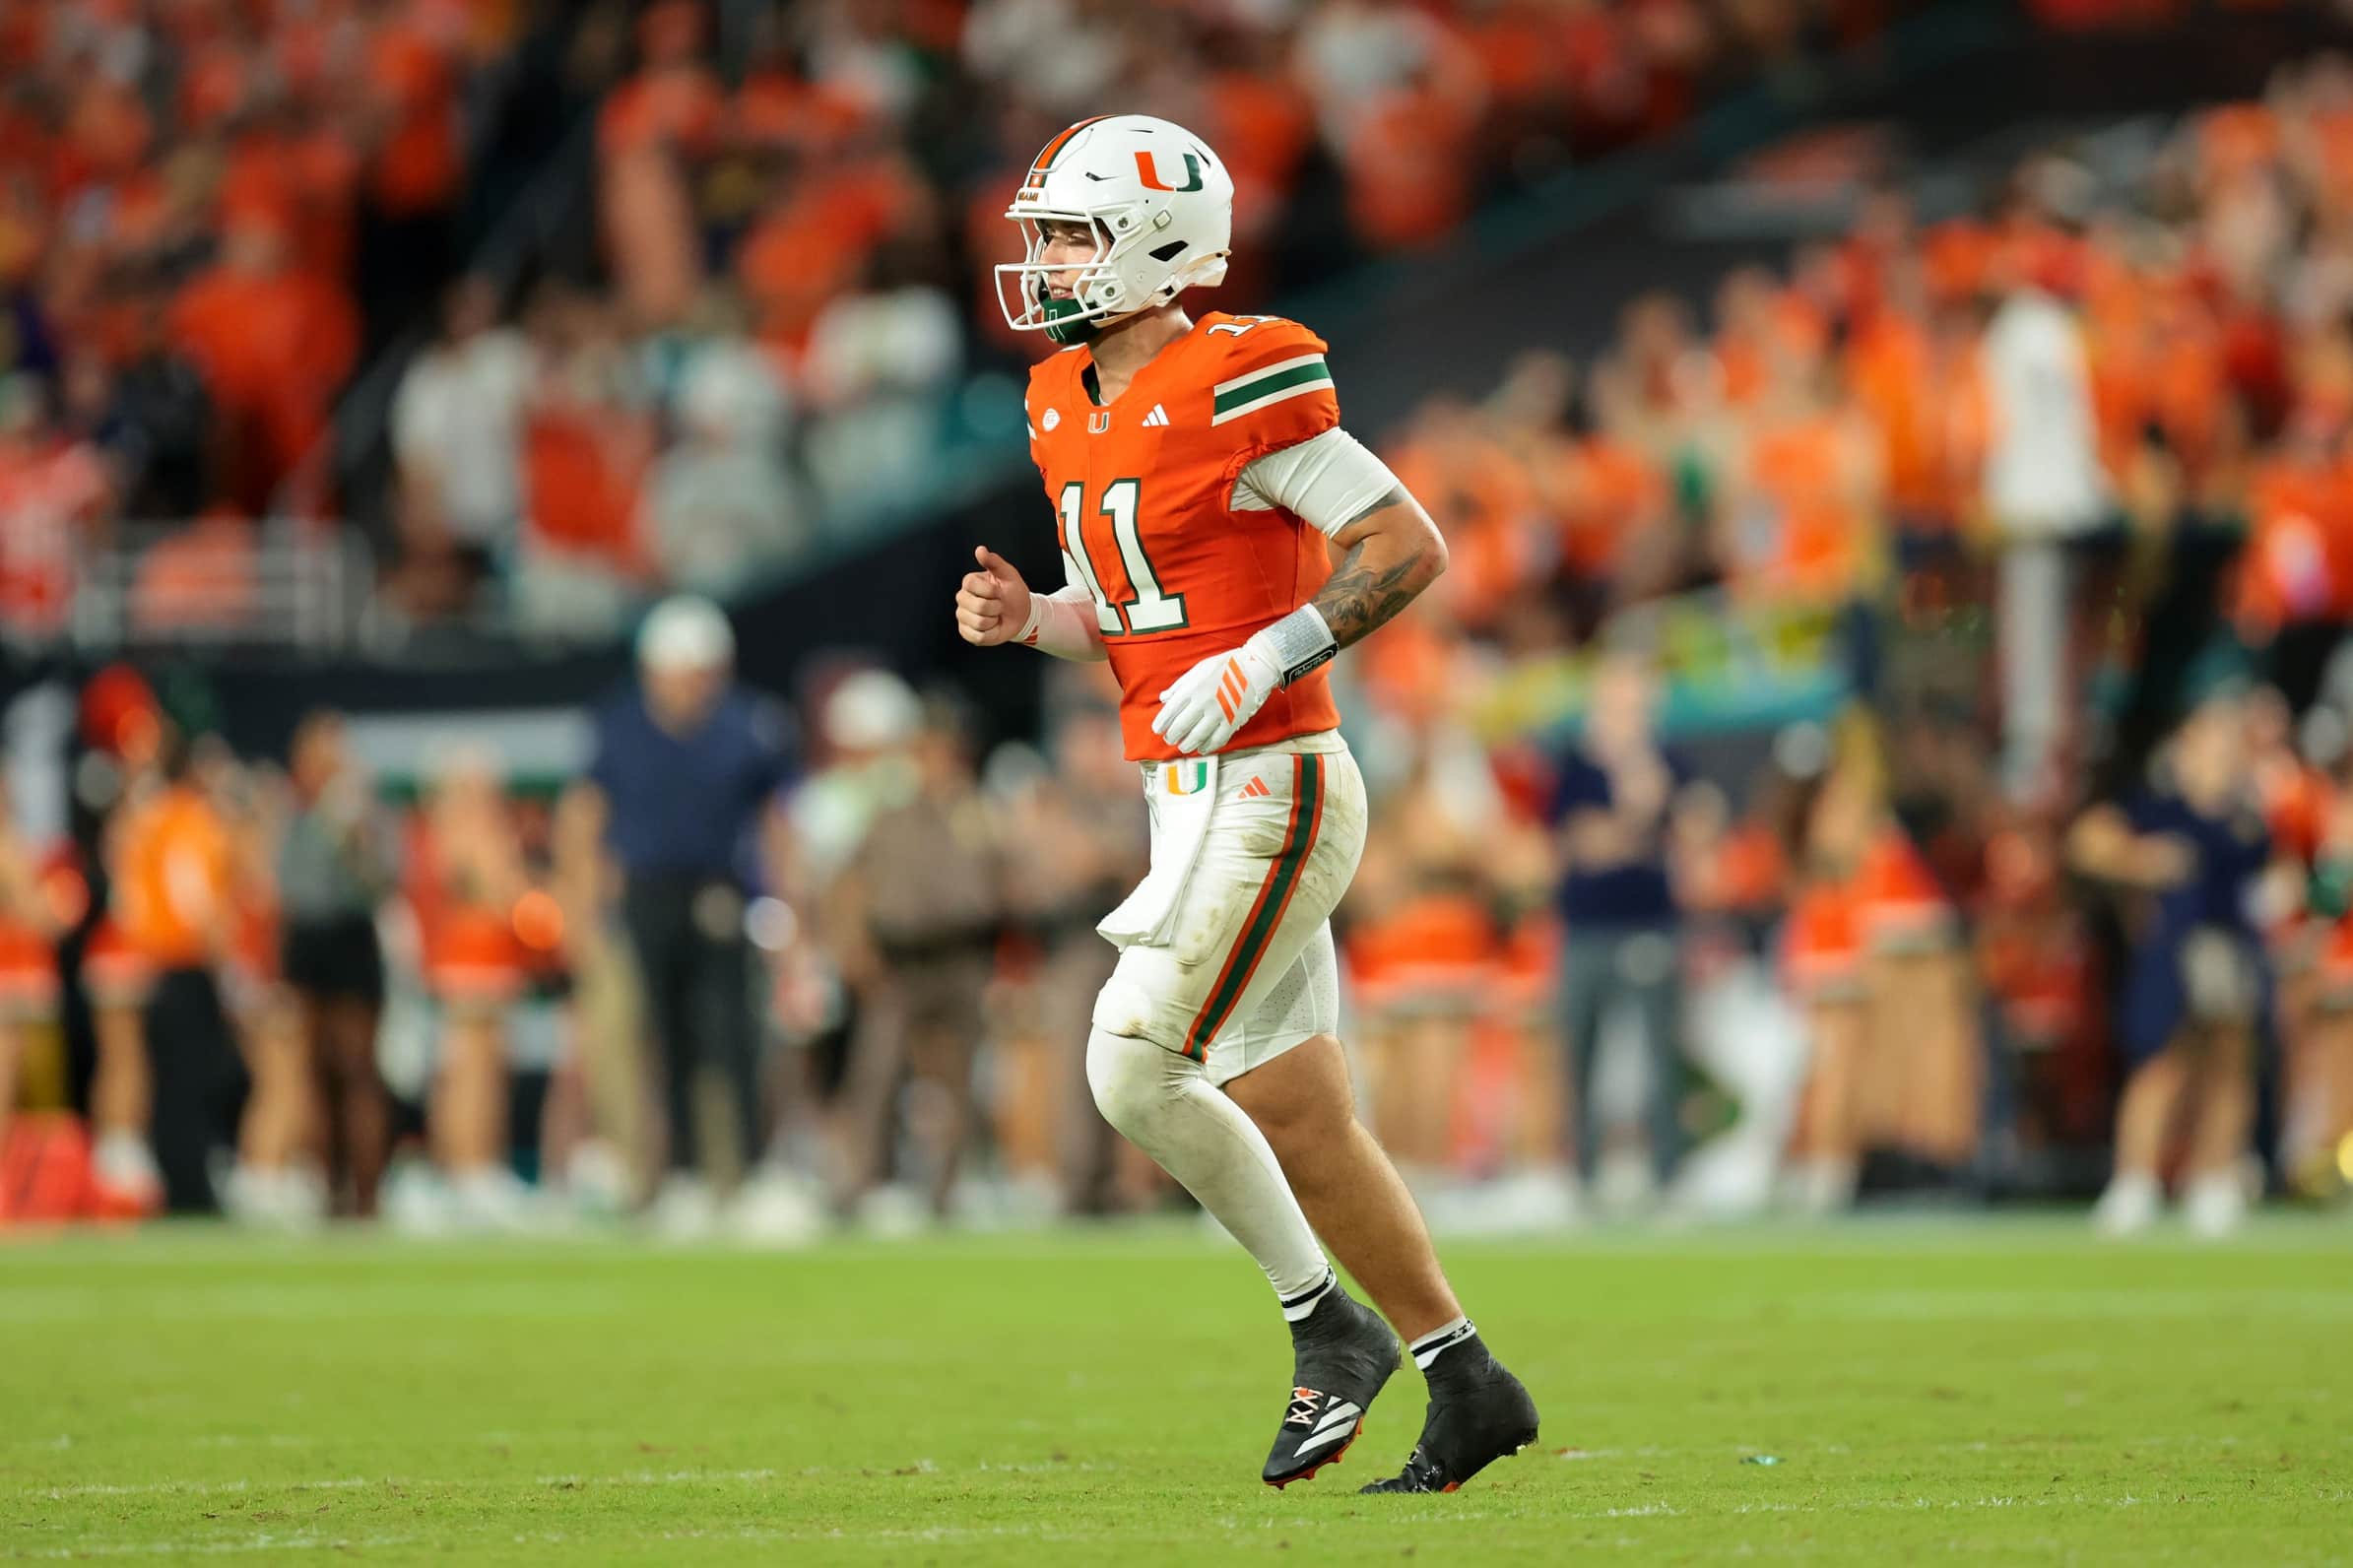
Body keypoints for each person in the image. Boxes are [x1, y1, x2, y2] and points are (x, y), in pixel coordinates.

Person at [953, 115, 1536, 1493]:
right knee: (1295, 1110)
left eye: (1070, 234)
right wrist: (1035, 620)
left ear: (1159, 243)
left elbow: (1405, 541)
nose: (1041, 261)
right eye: (1039, 233)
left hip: (1273, 784)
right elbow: (1136, 613)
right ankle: (1467, 1379)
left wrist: (1267, 653)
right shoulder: (1061, 399)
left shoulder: (1235, 375)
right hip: (1183, 793)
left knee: (1132, 1062)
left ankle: (1323, 1327)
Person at [571, 596, 798, 1235]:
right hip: (645, 895)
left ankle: (738, 1177)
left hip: (722, 892)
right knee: (656, 1041)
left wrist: (787, 908)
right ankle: (671, 1176)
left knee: (729, 1039)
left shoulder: (746, 724)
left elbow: (775, 824)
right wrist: (584, 910)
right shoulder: (619, 725)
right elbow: (587, 820)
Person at [2071, 689, 2285, 1237]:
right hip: (2175, 951)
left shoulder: (2248, 817)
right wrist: (2143, 863)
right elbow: (2088, 841)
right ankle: (2134, 1182)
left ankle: (2213, 1180)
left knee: (2230, 1065)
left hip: (2231, 949)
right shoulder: (2158, 807)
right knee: (2161, 1066)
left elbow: (2276, 878)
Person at [1547, 652, 1702, 1206]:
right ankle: (1583, 1177)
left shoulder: (1669, 760)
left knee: (1663, 1054)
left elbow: (1699, 832)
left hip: (1651, 925)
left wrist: (1643, 809)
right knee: (1580, 1054)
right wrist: (1641, 819)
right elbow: (1583, 846)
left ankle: (1668, 1176)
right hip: (1587, 929)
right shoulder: (1576, 765)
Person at [276, 712, 396, 1217]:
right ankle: (325, 1186)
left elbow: (380, 885)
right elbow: (288, 886)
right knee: (311, 1071)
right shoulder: (291, 812)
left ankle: (367, 1192)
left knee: (358, 1068)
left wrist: (354, 839)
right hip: (307, 940)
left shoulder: (365, 814)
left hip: (350, 939)